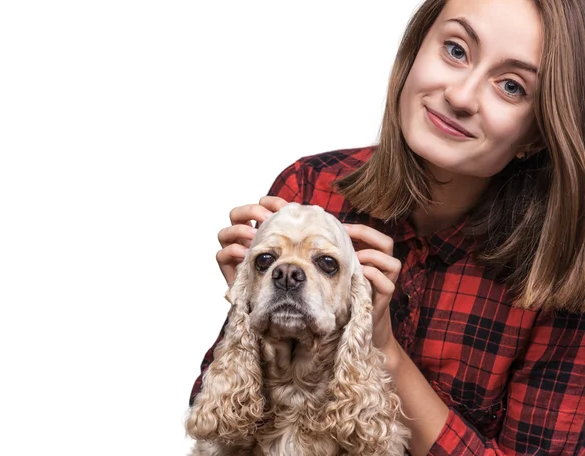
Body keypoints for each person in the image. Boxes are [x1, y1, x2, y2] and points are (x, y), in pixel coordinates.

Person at [189, 0, 585, 454]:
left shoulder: (564, 269)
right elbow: (219, 421)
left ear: (537, 133)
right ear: (414, 52)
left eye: (511, 86)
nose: (460, 97)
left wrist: (384, 348)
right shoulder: (313, 189)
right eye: (456, 51)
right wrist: (253, 297)